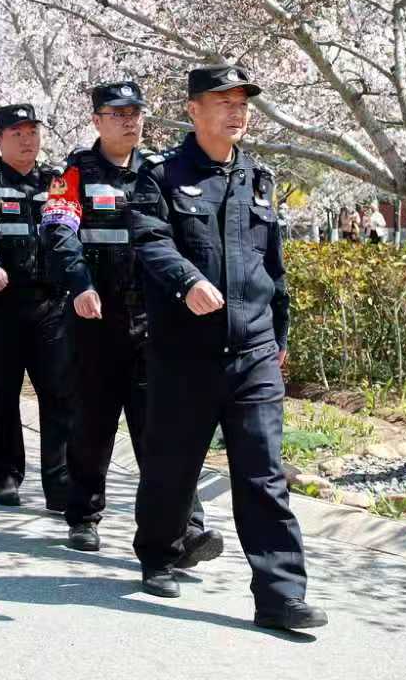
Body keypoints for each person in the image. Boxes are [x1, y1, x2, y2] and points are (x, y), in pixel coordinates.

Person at [130, 64, 325, 632]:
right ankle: (160, 552)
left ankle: (280, 595)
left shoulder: (258, 178)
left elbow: (272, 265)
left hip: (253, 352)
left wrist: (279, 335)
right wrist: (186, 282)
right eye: (223, 101)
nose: (237, 112)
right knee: (173, 466)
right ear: (193, 110)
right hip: (185, 352)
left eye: (242, 102)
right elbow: (150, 240)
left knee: (263, 474)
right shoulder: (160, 176)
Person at [41, 81, 218, 565]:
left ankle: (187, 526)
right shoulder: (74, 174)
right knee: (93, 424)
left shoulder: (160, 173)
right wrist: (80, 284)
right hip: (95, 318)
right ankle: (83, 514)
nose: (129, 122)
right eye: (117, 114)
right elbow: (59, 234)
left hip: (154, 320)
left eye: (135, 113)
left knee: (161, 426)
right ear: (97, 121)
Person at [0, 105, 70, 511]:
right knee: (1, 392)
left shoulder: (56, 182)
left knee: (59, 393)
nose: (27, 141)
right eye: (17, 133)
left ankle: (60, 483)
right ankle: (5, 475)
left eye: (32, 132)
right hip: (1, 304)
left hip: (51, 305)